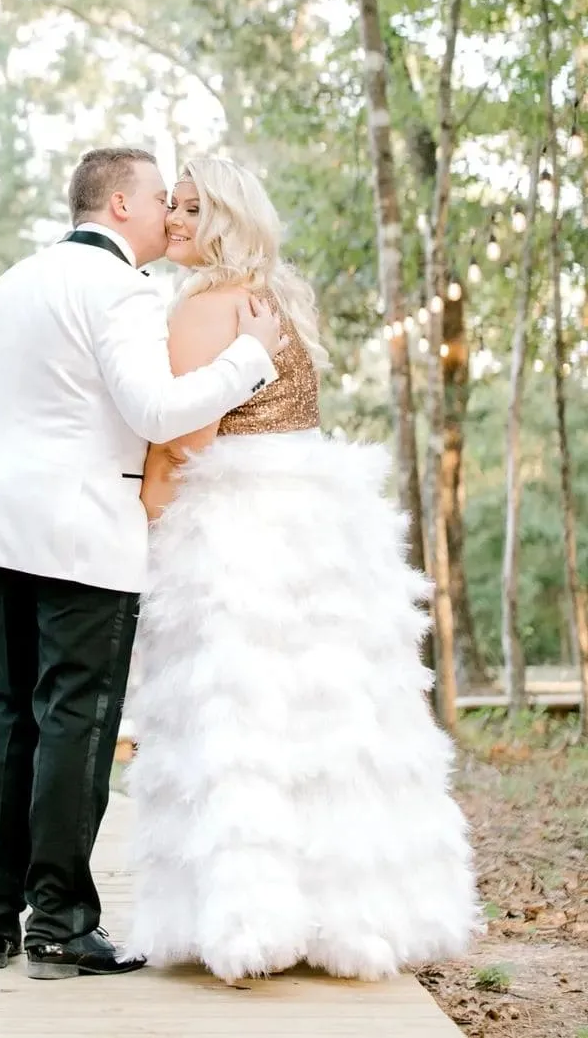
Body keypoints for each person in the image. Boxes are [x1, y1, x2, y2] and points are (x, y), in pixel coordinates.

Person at [127, 157, 477, 982]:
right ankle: (347, 917)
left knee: (238, 717)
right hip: (312, 522)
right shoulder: (272, 295)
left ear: (222, 219)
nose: (174, 220)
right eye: (171, 205)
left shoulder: (205, 303)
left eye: (188, 208)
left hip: (234, 527)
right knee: (327, 721)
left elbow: (190, 433)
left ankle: (250, 917)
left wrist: (145, 501)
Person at [0, 146, 285, 980]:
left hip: (2, 523)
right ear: (116, 203)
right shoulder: (123, 291)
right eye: (156, 198)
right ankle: (62, 923)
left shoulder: (14, 281)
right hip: (85, 532)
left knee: (10, 716)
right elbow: (155, 408)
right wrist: (248, 359)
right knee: (77, 719)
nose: (167, 215)